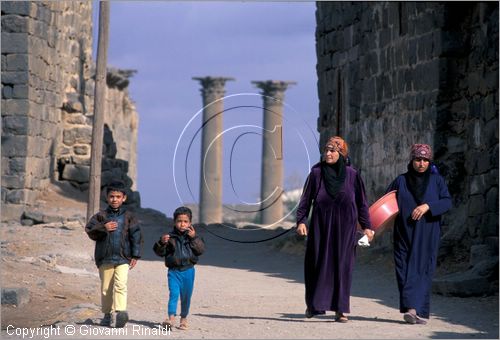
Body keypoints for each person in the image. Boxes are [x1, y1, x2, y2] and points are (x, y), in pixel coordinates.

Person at [296, 136, 374, 323]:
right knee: (317, 263)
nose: (328, 153)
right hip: (320, 225)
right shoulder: (316, 174)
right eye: (326, 150)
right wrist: (301, 221)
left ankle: (341, 309)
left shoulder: (352, 175)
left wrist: (367, 227)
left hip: (345, 226)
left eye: (333, 150)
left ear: (342, 153)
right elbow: (305, 201)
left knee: (343, 265)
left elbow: (362, 203)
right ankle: (314, 305)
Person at [386, 144, 451, 325]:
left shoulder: (437, 181)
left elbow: (447, 202)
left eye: (425, 160)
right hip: (403, 233)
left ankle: (413, 309)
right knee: (403, 269)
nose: (421, 164)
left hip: (427, 233)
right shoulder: (401, 181)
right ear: (411, 160)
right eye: (417, 159)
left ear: (429, 162)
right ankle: (412, 309)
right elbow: (387, 203)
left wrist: (428, 206)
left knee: (422, 270)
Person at [85, 181, 143, 328]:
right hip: (105, 258)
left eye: (118, 196)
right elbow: (90, 230)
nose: (115, 199)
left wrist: (135, 255)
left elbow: (136, 236)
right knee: (106, 288)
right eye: (112, 196)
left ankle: (121, 312)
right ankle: (107, 314)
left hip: (124, 257)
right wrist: (103, 227)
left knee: (121, 284)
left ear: (124, 198)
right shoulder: (101, 216)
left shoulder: (129, 216)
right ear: (107, 197)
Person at [153, 206, 205, 331]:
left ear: (190, 223)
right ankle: (170, 319)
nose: (182, 224)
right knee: (174, 294)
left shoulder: (193, 237)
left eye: (185, 221)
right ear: (174, 222)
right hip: (173, 271)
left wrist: (194, 238)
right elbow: (159, 252)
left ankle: (184, 319)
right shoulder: (169, 238)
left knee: (186, 296)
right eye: (179, 221)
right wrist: (161, 242)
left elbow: (200, 250)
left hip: (188, 271)